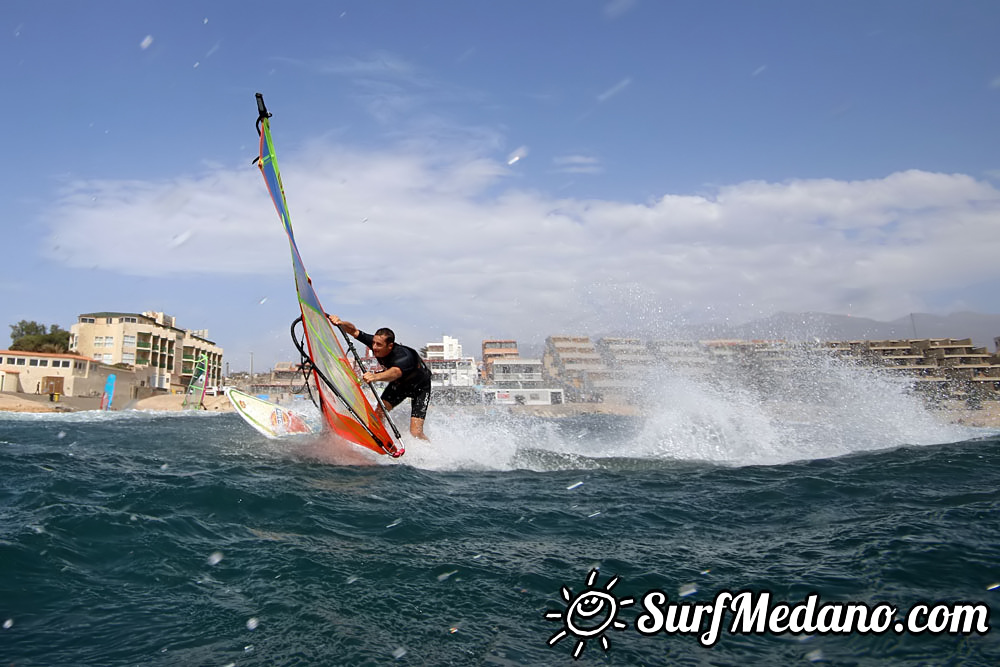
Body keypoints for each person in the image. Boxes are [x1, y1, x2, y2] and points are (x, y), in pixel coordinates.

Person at [327, 315, 431, 441]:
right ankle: (380, 439)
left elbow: (395, 372)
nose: (374, 347)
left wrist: (375, 377)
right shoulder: (375, 344)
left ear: (390, 346)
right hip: (399, 385)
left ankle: (430, 450)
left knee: (415, 432)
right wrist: (341, 322)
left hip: (420, 388)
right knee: (379, 413)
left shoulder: (404, 356)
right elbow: (353, 331)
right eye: (374, 343)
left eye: (379, 345)